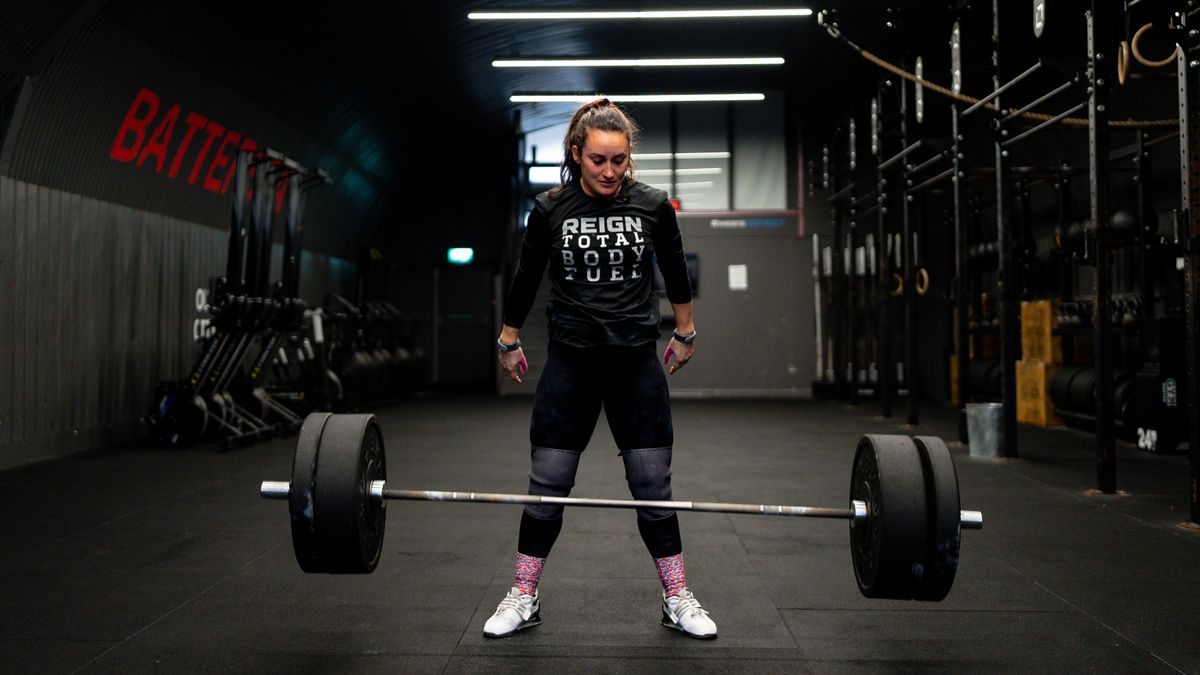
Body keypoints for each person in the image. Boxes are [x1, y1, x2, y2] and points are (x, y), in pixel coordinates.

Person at [484, 98, 716, 640]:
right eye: (598, 160)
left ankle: (677, 597)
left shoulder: (653, 205)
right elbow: (526, 275)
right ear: (576, 154)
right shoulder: (549, 209)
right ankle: (524, 593)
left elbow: (675, 269)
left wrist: (685, 331)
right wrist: (508, 337)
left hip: (635, 360)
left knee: (652, 483)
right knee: (549, 483)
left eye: (619, 160)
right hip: (571, 361)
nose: (610, 171)